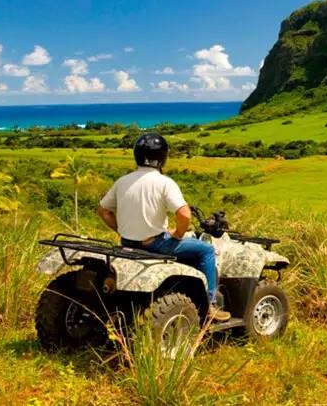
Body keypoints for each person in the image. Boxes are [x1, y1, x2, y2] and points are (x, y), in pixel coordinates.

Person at [97, 133, 231, 322]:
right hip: (156, 244)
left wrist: (121, 231)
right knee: (207, 250)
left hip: (127, 243)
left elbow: (103, 211)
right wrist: (177, 234)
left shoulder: (122, 181)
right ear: (162, 158)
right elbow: (184, 214)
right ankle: (210, 305)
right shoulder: (164, 182)